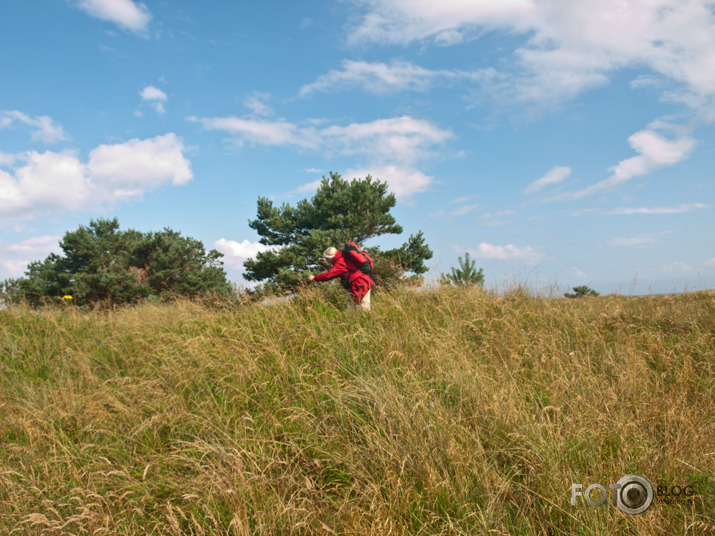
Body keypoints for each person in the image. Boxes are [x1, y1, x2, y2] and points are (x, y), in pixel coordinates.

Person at [308, 246, 374, 310]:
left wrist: (315, 278)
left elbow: (328, 275)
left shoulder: (341, 261)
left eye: (327, 258)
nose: (326, 260)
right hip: (358, 285)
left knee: (364, 309)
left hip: (360, 285)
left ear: (332, 256)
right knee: (352, 310)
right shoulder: (343, 257)